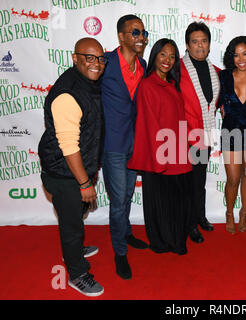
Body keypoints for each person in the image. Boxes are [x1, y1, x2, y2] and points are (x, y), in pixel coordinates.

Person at [38, 38, 106, 296]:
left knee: (74, 215)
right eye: (89, 57)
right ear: (75, 58)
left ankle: (73, 250)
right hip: (65, 171)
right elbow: (69, 146)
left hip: (75, 168)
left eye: (100, 58)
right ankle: (77, 273)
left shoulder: (86, 82)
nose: (96, 64)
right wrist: (84, 182)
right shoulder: (68, 93)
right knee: (71, 225)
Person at [127, 38, 193, 255]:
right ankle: (163, 242)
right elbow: (150, 124)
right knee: (161, 203)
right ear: (154, 56)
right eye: (163, 54)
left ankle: (176, 240)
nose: (168, 60)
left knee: (178, 201)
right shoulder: (147, 85)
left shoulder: (173, 84)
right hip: (160, 156)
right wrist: (161, 159)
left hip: (177, 152)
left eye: (172, 56)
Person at [101, 14, 148, 280]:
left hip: (135, 142)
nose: (141, 37)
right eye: (135, 32)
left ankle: (126, 232)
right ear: (121, 36)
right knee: (118, 200)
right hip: (113, 144)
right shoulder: (104, 63)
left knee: (128, 194)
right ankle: (120, 252)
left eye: (143, 33)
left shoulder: (142, 64)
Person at [217, 36, 246, 234]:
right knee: (233, 178)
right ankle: (229, 212)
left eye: (245, 53)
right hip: (230, 131)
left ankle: (244, 213)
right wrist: (221, 106)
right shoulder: (224, 76)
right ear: (231, 57)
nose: (241, 59)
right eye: (236, 55)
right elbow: (214, 98)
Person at [180, 22, 220, 243]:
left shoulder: (214, 71)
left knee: (199, 181)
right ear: (187, 45)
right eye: (195, 41)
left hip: (204, 135)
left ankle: (200, 216)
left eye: (204, 41)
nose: (200, 45)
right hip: (184, 136)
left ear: (209, 44)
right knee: (187, 184)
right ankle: (189, 224)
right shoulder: (178, 68)